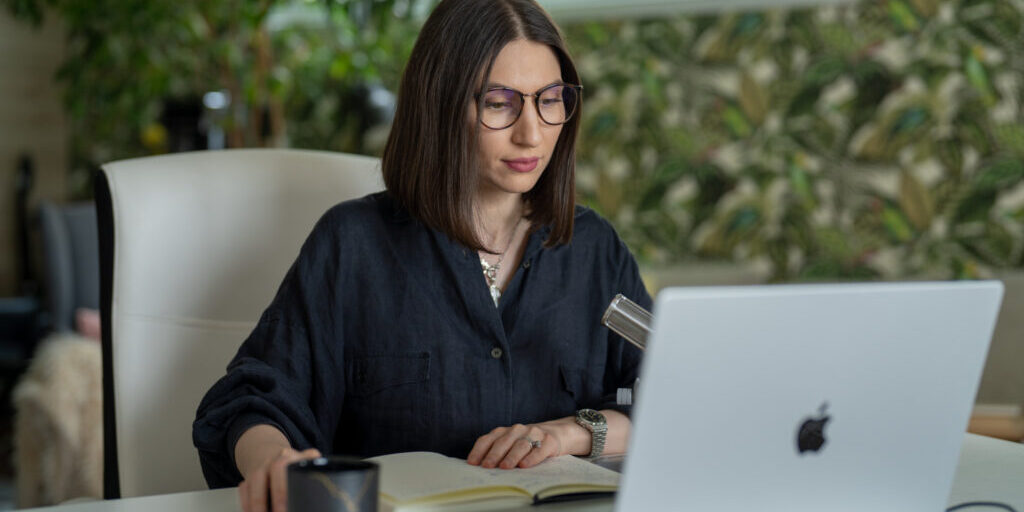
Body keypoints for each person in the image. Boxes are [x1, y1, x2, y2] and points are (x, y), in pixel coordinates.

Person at [192, 1, 652, 511]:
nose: (532, 132)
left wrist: (571, 433)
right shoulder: (355, 245)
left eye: (550, 99)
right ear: (440, 104)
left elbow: (670, 397)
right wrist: (273, 459)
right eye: (499, 103)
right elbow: (251, 401)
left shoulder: (594, 251)